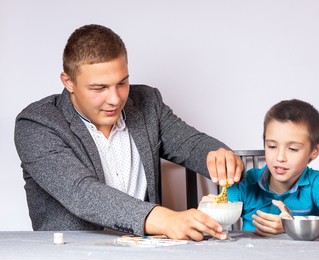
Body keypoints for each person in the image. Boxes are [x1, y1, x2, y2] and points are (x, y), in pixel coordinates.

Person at [14, 24, 243, 241]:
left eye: (122, 83)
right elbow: (81, 192)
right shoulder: (37, 124)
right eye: (99, 88)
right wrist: (164, 219)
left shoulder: (147, 103)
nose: (115, 99)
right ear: (68, 81)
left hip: (144, 255)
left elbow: (191, 144)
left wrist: (219, 155)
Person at [204, 99, 319, 236]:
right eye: (272, 146)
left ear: (314, 150)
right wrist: (209, 208)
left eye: (292, 149)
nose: (280, 157)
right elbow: (210, 220)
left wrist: (291, 226)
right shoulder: (247, 183)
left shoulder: (315, 182)